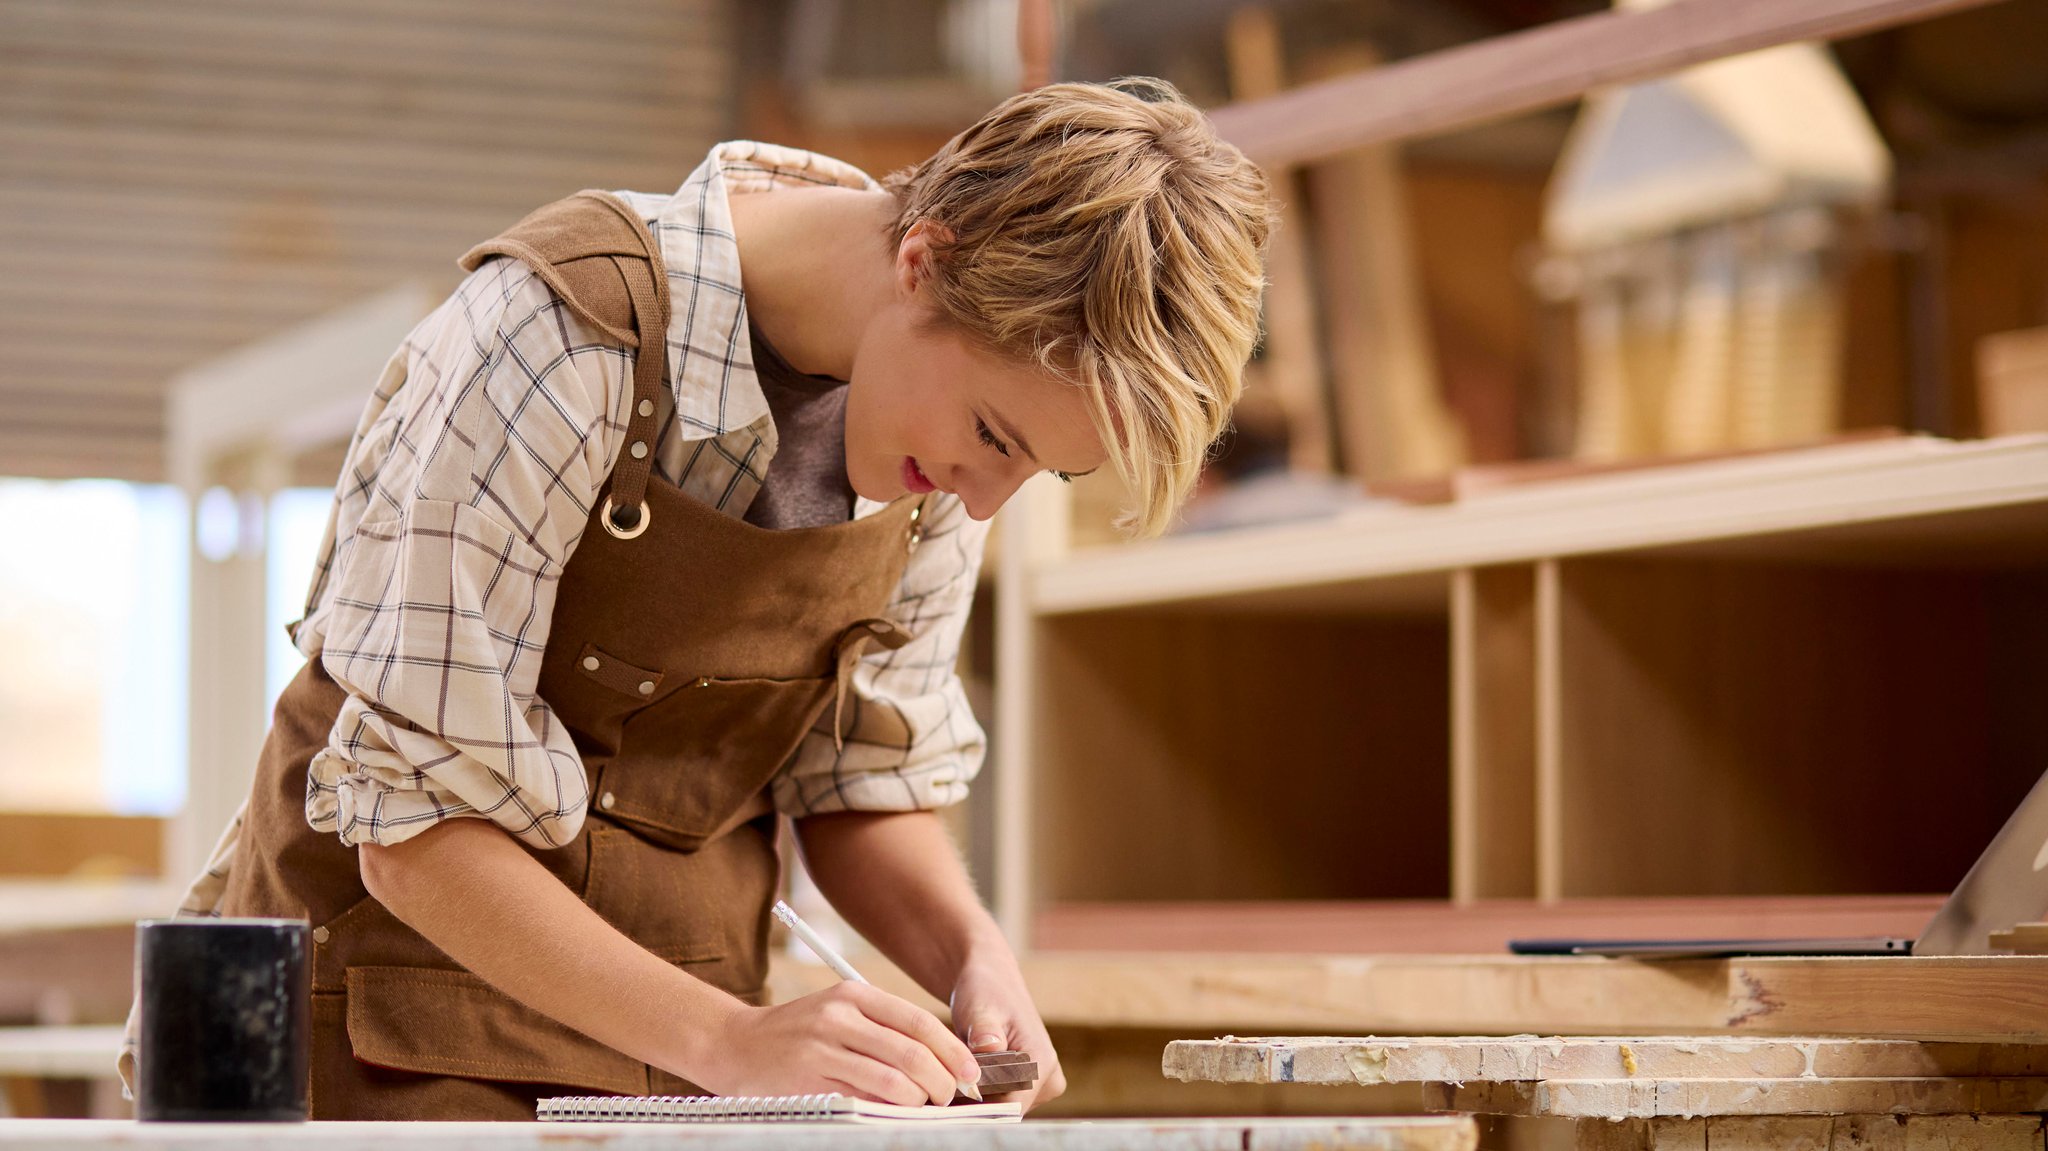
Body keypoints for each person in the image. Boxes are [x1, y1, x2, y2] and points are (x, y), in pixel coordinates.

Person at [122, 76, 1272, 1120]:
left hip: (685, 1072)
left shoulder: (931, 467)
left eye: (1039, 470)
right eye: (993, 437)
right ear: (922, 260)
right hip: (386, 1037)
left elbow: (857, 780)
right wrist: (731, 1040)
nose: (983, 505)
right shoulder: (557, 344)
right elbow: (412, 833)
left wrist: (969, 953)